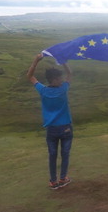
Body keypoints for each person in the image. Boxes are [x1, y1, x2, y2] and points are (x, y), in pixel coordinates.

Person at [27, 53, 73, 189]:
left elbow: (30, 76)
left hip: (51, 129)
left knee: (52, 155)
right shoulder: (63, 89)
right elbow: (70, 74)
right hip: (65, 127)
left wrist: (36, 60)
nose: (62, 79)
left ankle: (53, 181)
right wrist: (62, 60)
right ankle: (63, 178)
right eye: (59, 78)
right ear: (54, 79)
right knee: (65, 154)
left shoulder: (43, 90)